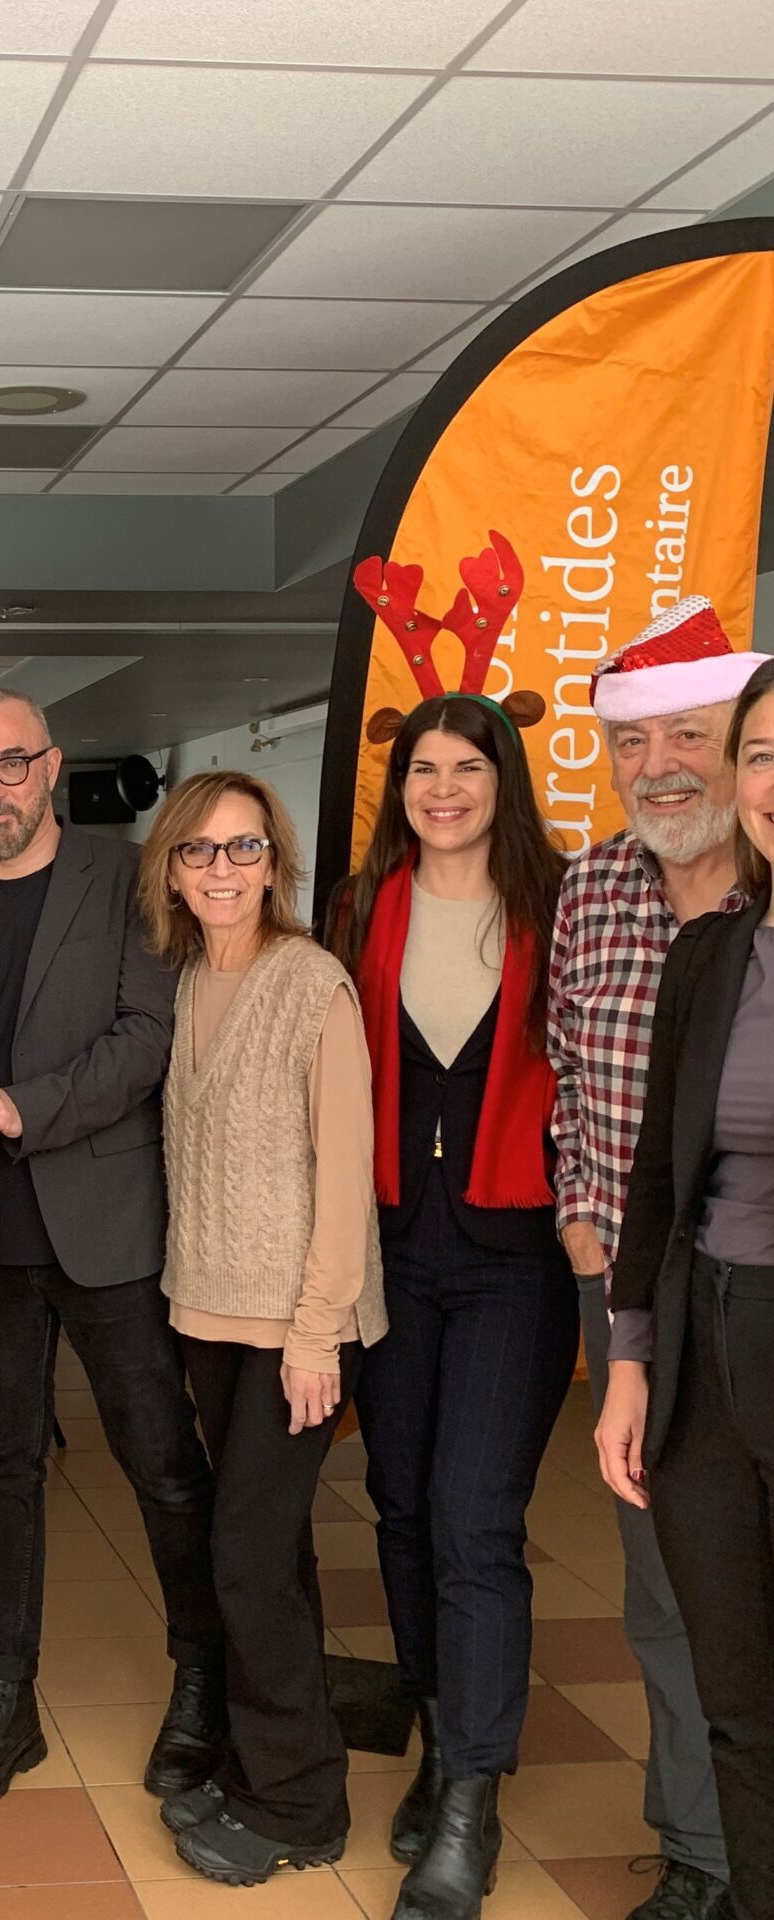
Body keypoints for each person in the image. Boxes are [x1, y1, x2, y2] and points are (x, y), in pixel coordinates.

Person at [0, 686, 222, 1808]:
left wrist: (31, 1102)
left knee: (164, 1469)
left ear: (51, 765)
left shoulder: (131, 880)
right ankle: (4, 1695)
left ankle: (204, 1679)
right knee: (4, 1466)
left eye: (11, 765)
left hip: (106, 1229)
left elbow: (149, 1037)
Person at [332, 692, 571, 1920]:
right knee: (402, 1506)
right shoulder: (367, 906)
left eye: (466, 767)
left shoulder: (562, 904)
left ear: (501, 779)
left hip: (515, 1255)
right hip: (392, 1253)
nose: (441, 788)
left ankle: (471, 1799)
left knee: (478, 1519)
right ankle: (437, 1734)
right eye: (422, 768)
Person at [548, 599, 763, 1920]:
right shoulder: (591, 890)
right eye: (634, 745)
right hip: (635, 1296)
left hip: (758, 1287)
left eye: (691, 735)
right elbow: (568, 1072)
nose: (660, 766)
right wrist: (583, 1212)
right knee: (671, 1582)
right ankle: (706, 1851)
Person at [140, 770, 385, 1886]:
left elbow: (346, 1174)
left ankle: (299, 1806)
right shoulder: (185, 979)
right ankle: (257, 1760)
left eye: (244, 849)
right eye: (200, 851)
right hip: (207, 1310)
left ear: (276, 862)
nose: (223, 871)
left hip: (296, 1322)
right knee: (267, 1554)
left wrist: (316, 1331)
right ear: (172, 870)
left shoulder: (311, 982)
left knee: (241, 1557)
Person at [601, 656, 774, 1920]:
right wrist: (628, 1366)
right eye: (765, 754)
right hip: (706, 1353)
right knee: (739, 1695)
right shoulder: (711, 958)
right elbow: (658, 1186)